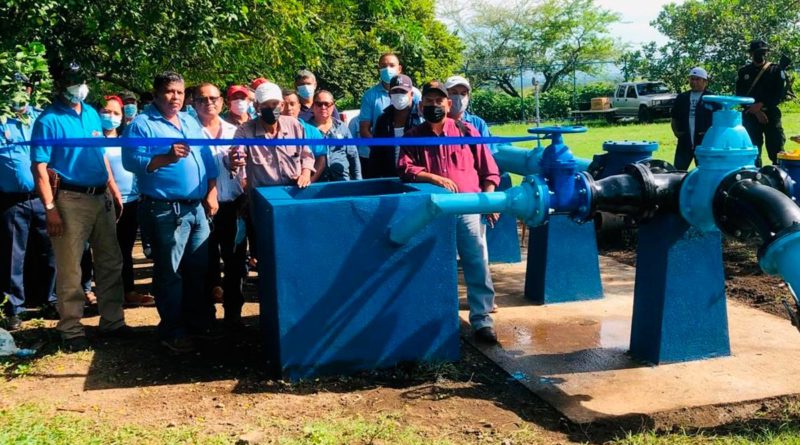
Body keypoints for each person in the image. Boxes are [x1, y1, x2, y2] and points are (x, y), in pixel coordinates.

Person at [31, 61, 129, 352]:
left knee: (111, 261)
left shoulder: (90, 114)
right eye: (75, 81)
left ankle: (113, 322)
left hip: (101, 197)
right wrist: (50, 208)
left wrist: (113, 189)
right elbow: (39, 167)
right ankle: (71, 329)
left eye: (83, 80)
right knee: (70, 266)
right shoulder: (48, 120)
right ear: (62, 84)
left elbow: (101, 157)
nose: (81, 86)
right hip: (70, 199)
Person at [123, 71, 219, 353]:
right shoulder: (142, 125)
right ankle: (172, 330)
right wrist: (166, 156)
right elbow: (132, 161)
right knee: (170, 273)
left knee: (197, 269)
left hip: (196, 208)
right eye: (168, 92)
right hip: (166, 210)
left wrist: (211, 191)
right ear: (155, 94)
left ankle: (197, 323)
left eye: (179, 92)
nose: (174, 97)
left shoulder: (189, 120)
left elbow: (206, 157)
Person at [398, 80, 501, 344]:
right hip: (432, 212)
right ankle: (435, 320)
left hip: (468, 206)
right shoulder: (412, 137)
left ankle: (482, 319)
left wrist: (490, 200)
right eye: (429, 102)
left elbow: (489, 170)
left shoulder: (467, 132)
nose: (435, 106)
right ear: (421, 106)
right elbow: (405, 168)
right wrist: (433, 178)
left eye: (439, 101)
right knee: (431, 263)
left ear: (448, 104)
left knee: (476, 260)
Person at [229, 82, 315, 263]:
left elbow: (307, 154)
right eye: (265, 105)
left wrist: (306, 173)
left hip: (293, 196)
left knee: (296, 246)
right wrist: (235, 159)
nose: (271, 109)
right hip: (264, 202)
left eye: (275, 104)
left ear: (281, 105)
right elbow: (236, 152)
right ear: (257, 106)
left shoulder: (295, 126)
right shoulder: (245, 131)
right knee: (268, 252)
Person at [0, 75, 57, 330]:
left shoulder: (41, 118)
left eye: (23, 87)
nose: (19, 93)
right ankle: (13, 307)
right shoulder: (1, 120)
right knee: (13, 255)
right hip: (11, 200)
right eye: (13, 88)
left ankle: (50, 299)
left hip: (43, 197)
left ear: (30, 89)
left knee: (50, 250)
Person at [193, 82, 248, 330]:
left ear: (221, 102)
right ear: (194, 103)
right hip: (200, 206)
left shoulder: (234, 131)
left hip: (233, 204)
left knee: (235, 261)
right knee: (204, 262)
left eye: (214, 98)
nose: (209, 103)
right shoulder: (188, 131)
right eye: (203, 99)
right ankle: (206, 315)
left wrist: (235, 163)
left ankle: (233, 313)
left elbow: (243, 166)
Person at [99, 95, 154, 306]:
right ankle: (99, 292)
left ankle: (128, 291)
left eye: (115, 113)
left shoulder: (126, 140)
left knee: (125, 249)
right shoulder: (91, 140)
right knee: (104, 251)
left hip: (130, 202)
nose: (110, 116)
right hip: (103, 201)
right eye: (106, 111)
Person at [358, 53, 421, 176]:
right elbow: (364, 129)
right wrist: (382, 150)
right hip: (382, 161)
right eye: (384, 65)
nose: (388, 69)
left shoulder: (417, 95)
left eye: (392, 65)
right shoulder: (371, 97)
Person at [735, 39, 787, 166]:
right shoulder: (744, 72)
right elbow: (739, 95)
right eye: (758, 52)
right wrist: (756, 110)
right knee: (752, 151)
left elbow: (779, 94)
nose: (761, 54)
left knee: (776, 149)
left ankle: (779, 179)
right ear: (751, 54)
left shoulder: (775, 70)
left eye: (763, 52)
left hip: (771, 115)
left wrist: (762, 104)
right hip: (750, 115)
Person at [370, 74, 423, 178]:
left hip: (417, 177)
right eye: (395, 91)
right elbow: (376, 154)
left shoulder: (421, 118)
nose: (399, 95)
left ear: (411, 94)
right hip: (389, 178)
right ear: (389, 94)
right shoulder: (383, 120)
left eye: (403, 91)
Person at [310, 90, 361, 181]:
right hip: (316, 183)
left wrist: (358, 180)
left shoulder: (342, 127)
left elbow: (353, 155)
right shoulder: (305, 129)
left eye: (327, 104)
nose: (323, 107)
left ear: (333, 106)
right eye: (319, 104)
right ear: (313, 106)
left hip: (342, 181)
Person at [671, 67, 716, 170]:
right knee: (678, 170)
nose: (694, 82)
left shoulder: (712, 98)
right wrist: (676, 131)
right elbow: (674, 117)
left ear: (705, 82)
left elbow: (718, 120)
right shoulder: (682, 98)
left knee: (704, 170)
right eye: (692, 79)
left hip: (704, 142)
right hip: (685, 141)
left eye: (697, 79)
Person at [282, 89, 326, 181]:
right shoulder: (272, 132)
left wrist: (309, 180)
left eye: (292, 104)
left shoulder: (312, 131)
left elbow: (321, 159)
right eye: (284, 105)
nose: (289, 108)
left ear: (299, 107)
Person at [444, 75, 492, 145]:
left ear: (468, 97)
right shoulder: (438, 123)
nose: (459, 98)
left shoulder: (478, 123)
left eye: (463, 94)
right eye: (454, 93)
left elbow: (487, 152)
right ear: (445, 96)